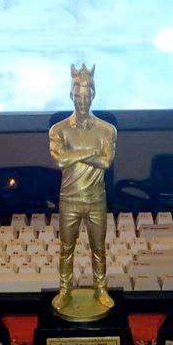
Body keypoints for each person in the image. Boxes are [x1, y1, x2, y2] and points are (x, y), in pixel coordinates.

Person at [49, 64, 116, 314]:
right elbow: (60, 161)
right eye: (78, 97)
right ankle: (65, 289)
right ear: (71, 95)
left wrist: (74, 154)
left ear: (93, 95)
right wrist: (89, 152)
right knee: (66, 248)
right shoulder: (59, 130)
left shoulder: (107, 130)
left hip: (96, 199)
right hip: (69, 199)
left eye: (87, 97)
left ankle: (101, 288)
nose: (82, 102)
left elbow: (106, 162)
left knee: (98, 248)